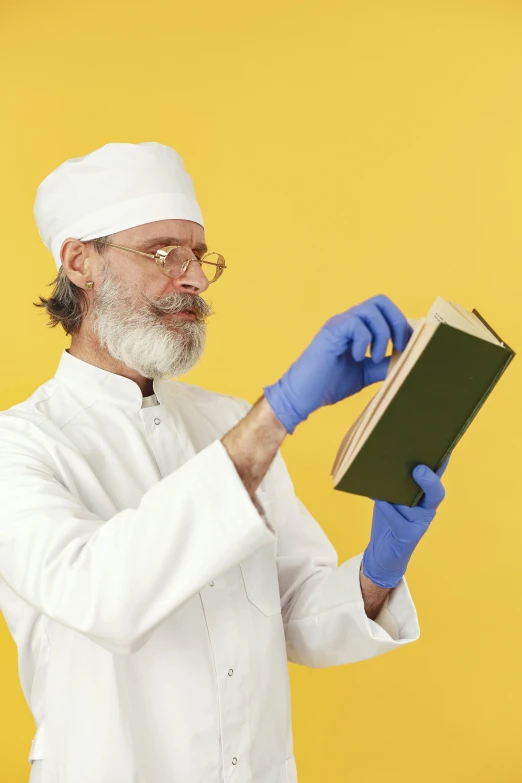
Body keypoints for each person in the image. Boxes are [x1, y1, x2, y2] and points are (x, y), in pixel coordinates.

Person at [0, 142, 448, 783]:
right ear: (80, 263)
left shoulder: (223, 420)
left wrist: (380, 567)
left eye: (199, 254)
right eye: (163, 253)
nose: (195, 278)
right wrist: (281, 411)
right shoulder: (18, 445)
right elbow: (103, 597)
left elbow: (295, 619)